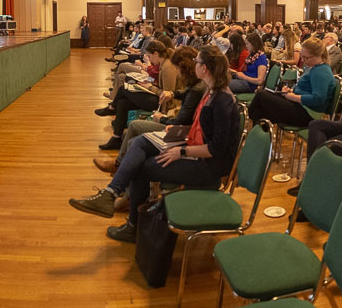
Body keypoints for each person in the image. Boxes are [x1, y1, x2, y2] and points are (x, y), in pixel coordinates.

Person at [69, 45, 241, 243]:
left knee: (141, 167)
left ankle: (132, 226)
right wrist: (180, 134)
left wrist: (181, 151)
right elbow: (202, 129)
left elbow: (216, 148)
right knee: (141, 142)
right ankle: (111, 194)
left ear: (206, 69)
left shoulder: (221, 100)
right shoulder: (212, 91)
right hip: (196, 150)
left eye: (198, 62)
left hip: (208, 166)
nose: (195, 64)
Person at [93, 46, 203, 175]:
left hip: (168, 114)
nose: (177, 72)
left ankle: (119, 163)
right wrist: (172, 93)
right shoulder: (195, 85)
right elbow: (180, 92)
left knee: (130, 112)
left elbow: (178, 115)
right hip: (168, 111)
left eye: (178, 69)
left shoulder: (169, 69)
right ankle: (116, 139)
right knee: (123, 102)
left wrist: (160, 116)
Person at [95, 42, 180, 150]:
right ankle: (116, 138)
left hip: (162, 105)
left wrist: (150, 87)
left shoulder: (168, 67)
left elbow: (168, 95)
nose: (149, 59)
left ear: (156, 53)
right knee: (122, 103)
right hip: (156, 97)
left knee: (123, 89)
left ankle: (112, 107)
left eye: (149, 56)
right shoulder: (163, 64)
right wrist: (149, 84)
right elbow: (159, 84)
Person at [248, 37, 335, 128]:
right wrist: (291, 91)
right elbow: (304, 90)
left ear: (319, 55)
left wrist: (293, 97)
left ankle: (242, 121)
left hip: (308, 114)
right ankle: (257, 136)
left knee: (261, 95)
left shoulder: (321, 71)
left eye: (306, 57)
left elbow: (317, 99)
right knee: (260, 111)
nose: (303, 60)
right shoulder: (313, 67)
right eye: (302, 56)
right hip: (301, 107)